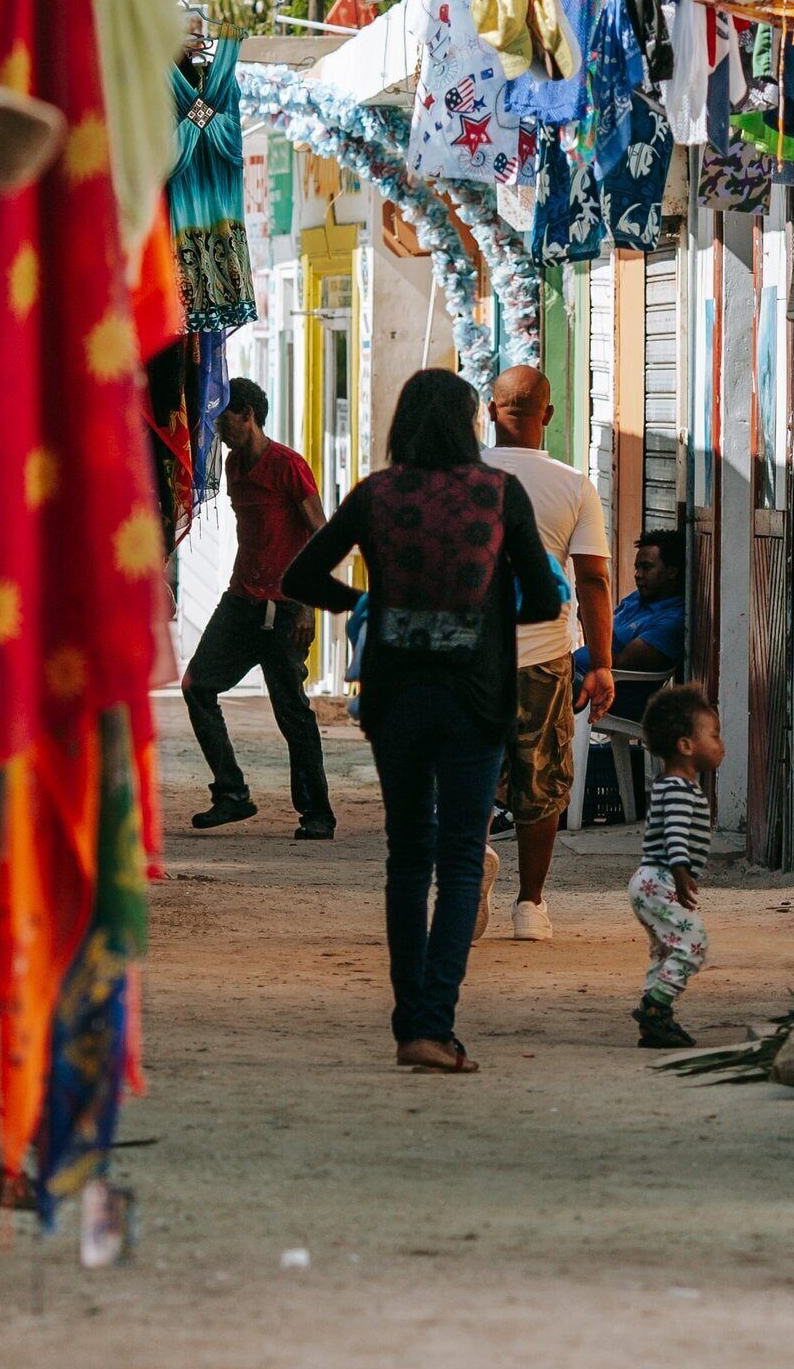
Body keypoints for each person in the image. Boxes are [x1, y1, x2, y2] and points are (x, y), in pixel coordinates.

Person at [280, 367, 565, 1074]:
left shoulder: (377, 494)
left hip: (395, 696)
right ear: (472, 425)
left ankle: (411, 1023)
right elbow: (543, 600)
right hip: (477, 698)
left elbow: (299, 578)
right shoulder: (500, 494)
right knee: (460, 854)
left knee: (406, 856)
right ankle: (435, 1023)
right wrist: (490, 618)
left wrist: (362, 608)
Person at [481, 365, 610, 939]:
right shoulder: (573, 485)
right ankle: (530, 905)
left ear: (489, 411)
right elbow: (594, 583)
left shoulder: (455, 478)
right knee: (544, 777)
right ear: (549, 416)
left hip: (464, 657)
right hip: (543, 655)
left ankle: (468, 865)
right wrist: (602, 664)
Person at [179, 378, 334, 837]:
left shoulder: (288, 466)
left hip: (284, 608)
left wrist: (306, 605)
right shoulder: (232, 465)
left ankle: (318, 814)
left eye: (224, 415)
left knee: (293, 713)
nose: (218, 425)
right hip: (241, 601)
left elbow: (321, 533)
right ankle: (231, 793)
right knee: (196, 686)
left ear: (247, 413)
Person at [630, 682, 722, 1050]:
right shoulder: (680, 790)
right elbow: (675, 833)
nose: (720, 744)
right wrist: (682, 872)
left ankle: (656, 1019)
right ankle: (656, 1006)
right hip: (661, 878)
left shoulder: (674, 786)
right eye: (713, 735)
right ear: (686, 745)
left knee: (667, 949)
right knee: (692, 944)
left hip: (653, 880)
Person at [608, 533, 687, 719]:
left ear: (672, 571)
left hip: (612, 695)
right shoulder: (638, 598)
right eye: (637, 567)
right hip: (584, 677)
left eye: (646, 567)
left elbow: (619, 663)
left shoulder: (672, 619)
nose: (638, 575)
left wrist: (589, 619)